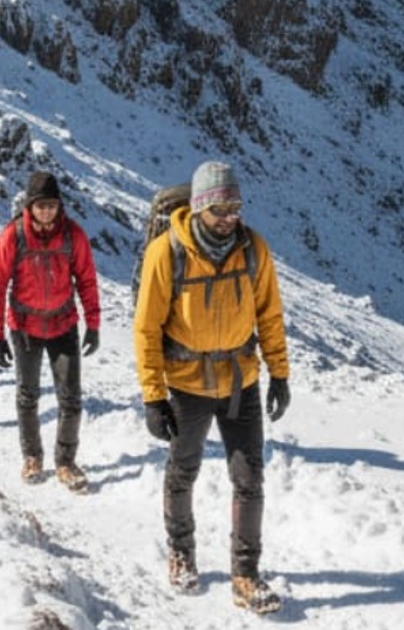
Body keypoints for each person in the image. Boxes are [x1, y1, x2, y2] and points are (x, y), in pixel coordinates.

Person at [133, 161, 291, 615]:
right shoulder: (167, 252)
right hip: (186, 385)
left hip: (242, 380)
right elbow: (146, 329)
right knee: (183, 471)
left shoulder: (253, 249)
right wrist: (152, 396)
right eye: (221, 208)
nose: (229, 217)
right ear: (201, 207)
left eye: (235, 207)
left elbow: (270, 315)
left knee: (250, 479)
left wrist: (279, 374)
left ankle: (246, 573)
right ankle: (181, 552)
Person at [0, 171, 101, 492]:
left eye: (51, 205)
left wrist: (93, 324)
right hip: (25, 328)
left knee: (71, 399)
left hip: (63, 325)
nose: (46, 211)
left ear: (58, 206)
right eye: (41, 205)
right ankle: (32, 456)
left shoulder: (72, 235)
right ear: (30, 206)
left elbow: (87, 280)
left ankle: (65, 461)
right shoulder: (14, 236)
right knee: (28, 396)